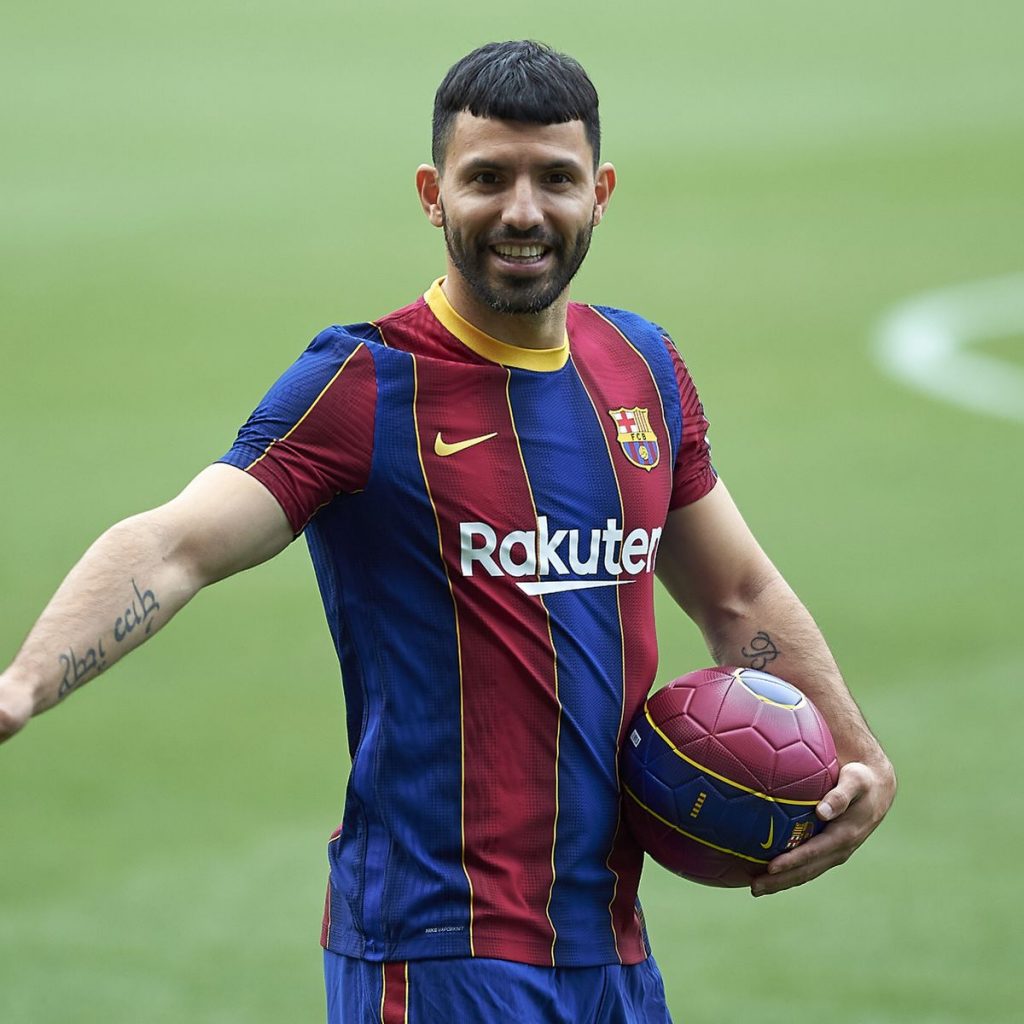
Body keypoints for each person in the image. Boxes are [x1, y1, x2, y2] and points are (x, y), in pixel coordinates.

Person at [0, 40, 895, 1024]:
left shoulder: (641, 368)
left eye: (554, 178)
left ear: (599, 192)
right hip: (434, 952)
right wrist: (22, 684)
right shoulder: (362, 386)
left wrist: (856, 752)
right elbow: (174, 547)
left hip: (611, 945)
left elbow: (736, 595)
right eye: (487, 179)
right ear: (433, 193)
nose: (522, 211)